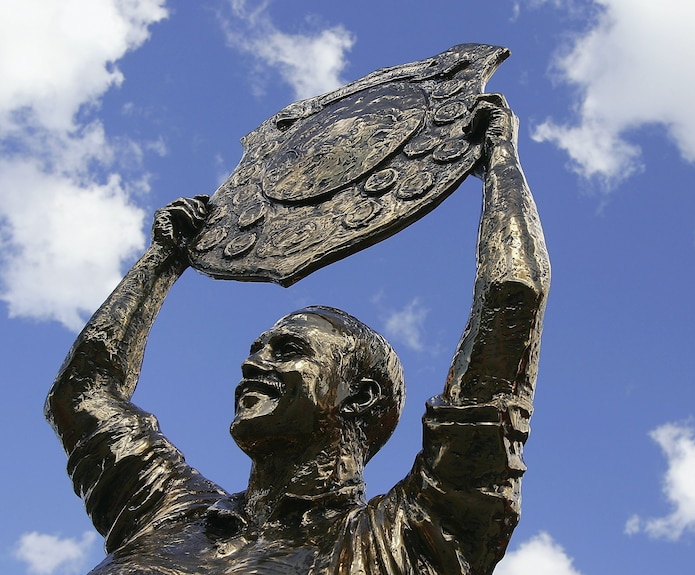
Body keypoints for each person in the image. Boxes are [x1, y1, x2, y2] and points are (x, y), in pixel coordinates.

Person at [46, 99, 550, 575]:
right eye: (255, 350)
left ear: (361, 397)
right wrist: (163, 260)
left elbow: (512, 301)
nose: (253, 363)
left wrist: (499, 159)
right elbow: (82, 392)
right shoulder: (164, 509)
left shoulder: (403, 537)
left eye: (287, 351)